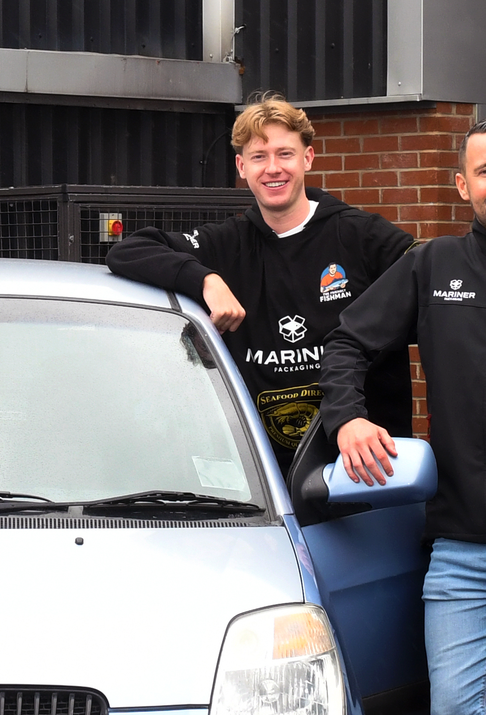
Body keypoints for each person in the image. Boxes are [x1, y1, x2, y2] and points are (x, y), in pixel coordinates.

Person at [105, 93, 415, 474]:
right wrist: (207, 280)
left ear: (308, 158)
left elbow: (433, 284)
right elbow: (128, 251)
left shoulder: (363, 237)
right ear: (241, 166)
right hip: (261, 483)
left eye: (285, 154)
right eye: (258, 157)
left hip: (366, 472)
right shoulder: (226, 245)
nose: (273, 168)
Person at [321, 119, 486, 715]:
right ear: (462, 185)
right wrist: (347, 420)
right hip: (464, 549)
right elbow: (347, 342)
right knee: (459, 711)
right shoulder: (434, 265)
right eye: (484, 171)